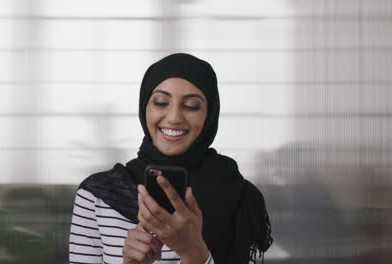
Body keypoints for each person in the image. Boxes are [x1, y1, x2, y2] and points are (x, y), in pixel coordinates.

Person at [69, 53, 273, 264]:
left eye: (191, 106)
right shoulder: (97, 195)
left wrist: (194, 252)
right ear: (144, 108)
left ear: (209, 115)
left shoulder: (238, 195)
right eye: (160, 102)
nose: (174, 117)